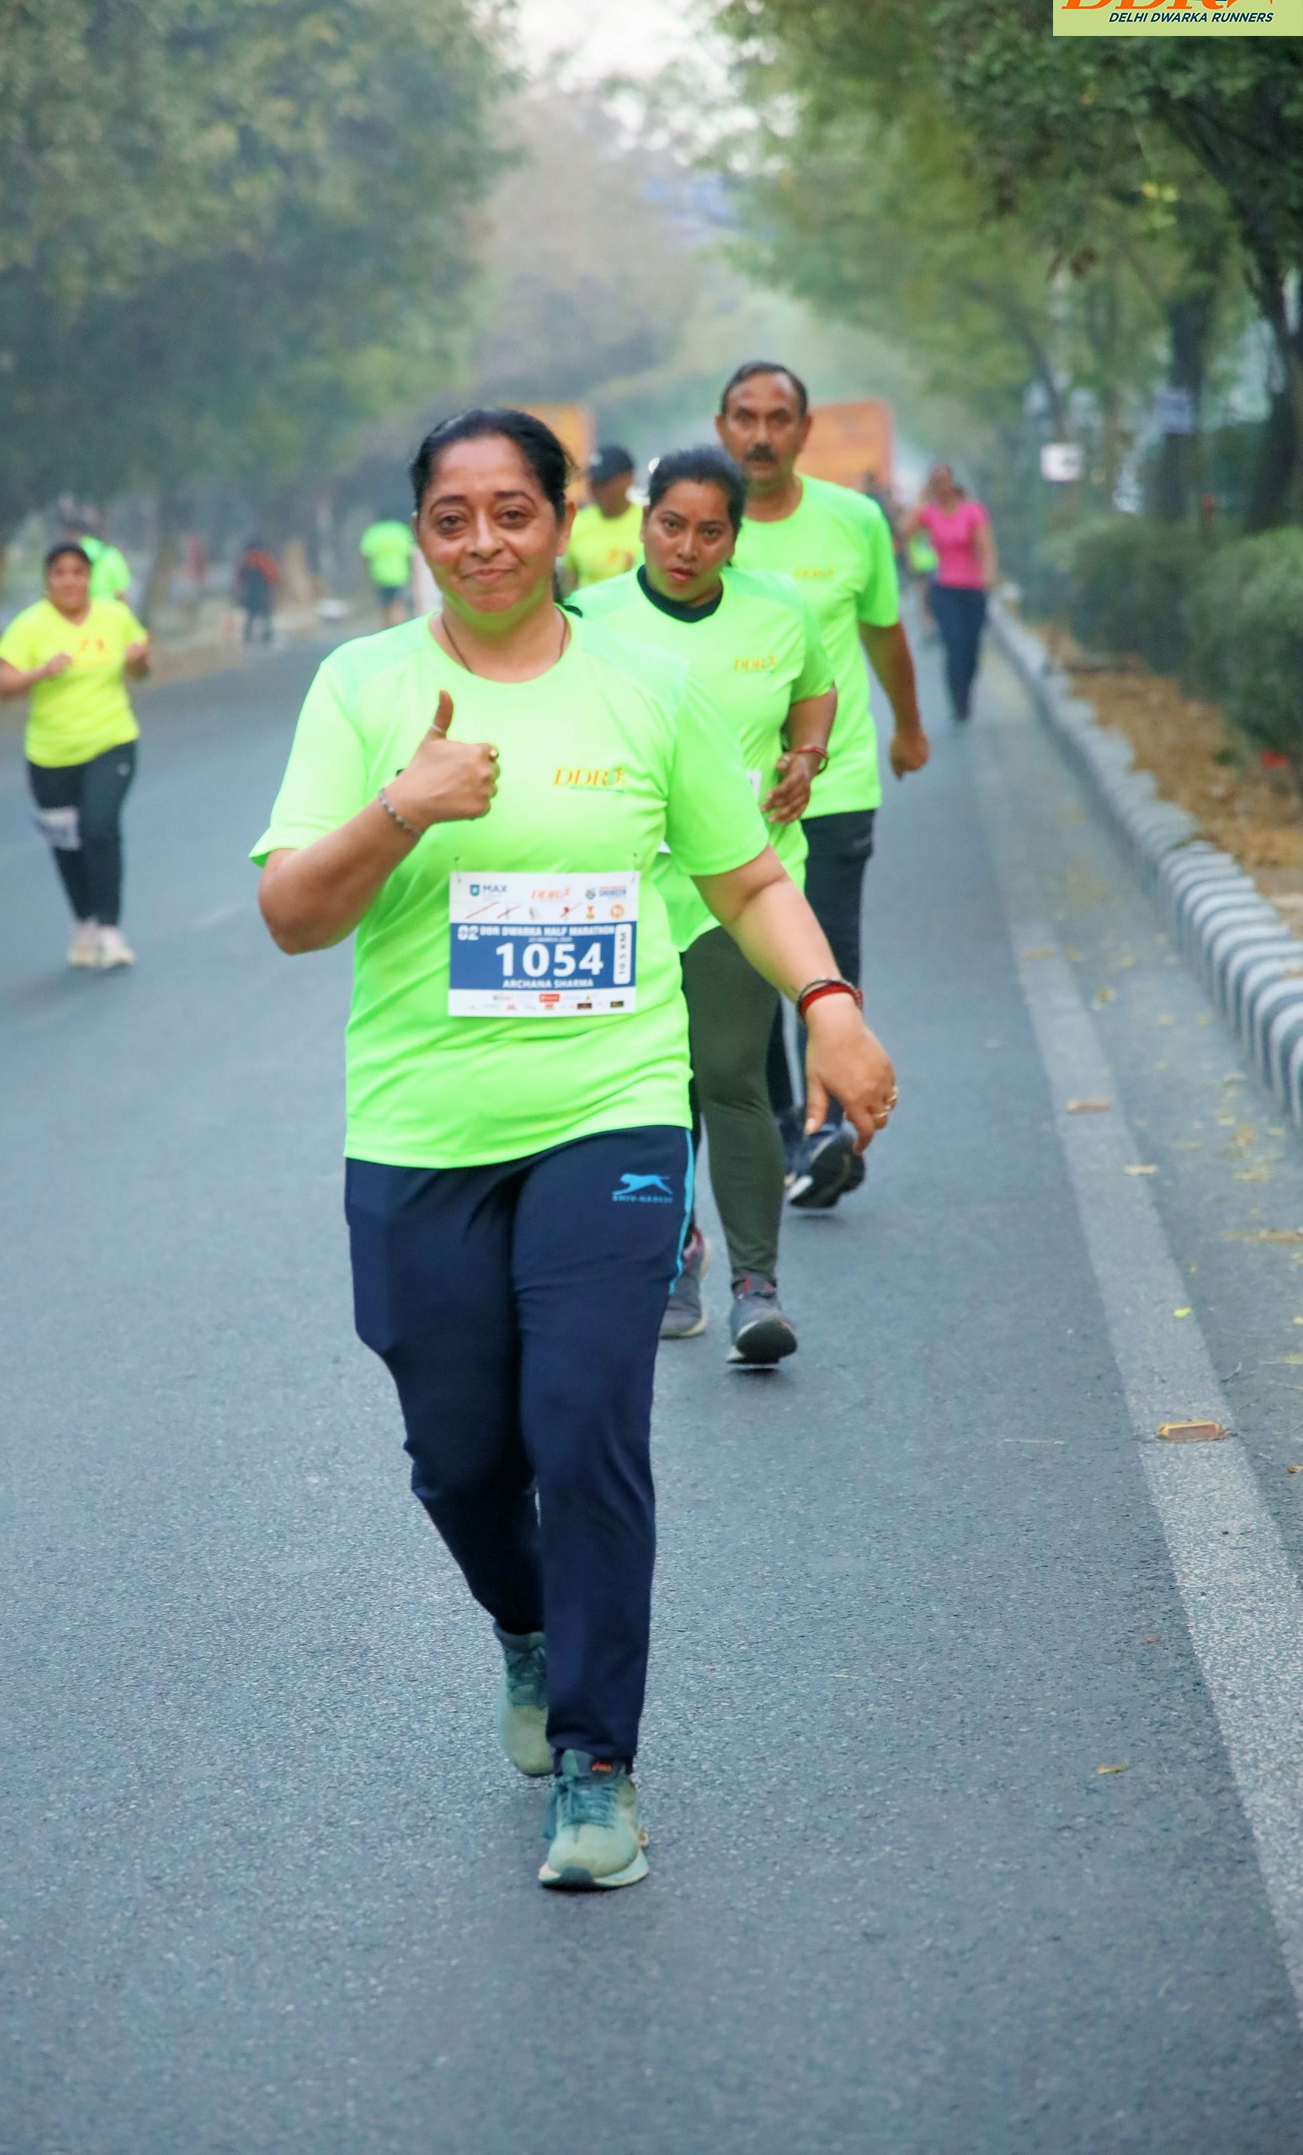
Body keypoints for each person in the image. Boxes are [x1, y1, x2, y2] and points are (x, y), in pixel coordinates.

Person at [253, 409, 896, 1890]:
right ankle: (528, 1627)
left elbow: (745, 876)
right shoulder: (364, 688)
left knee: (587, 1418)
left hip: (610, 1108)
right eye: (452, 518)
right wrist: (403, 808)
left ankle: (599, 1766)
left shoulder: (642, 688)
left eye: (512, 512)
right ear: (424, 534)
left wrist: (831, 1004)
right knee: (458, 1456)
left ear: (561, 523)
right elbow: (293, 915)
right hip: (420, 1128)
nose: (483, 542)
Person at [577, 446, 837, 1364]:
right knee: (654, 1089)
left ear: (736, 536)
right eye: (671, 525)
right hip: (629, 890)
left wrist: (807, 757)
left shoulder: (780, 610)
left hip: (747, 881)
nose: (687, 548)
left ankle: (755, 1288)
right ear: (644, 521)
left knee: (728, 1072)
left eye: (710, 531)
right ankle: (676, 1252)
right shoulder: (589, 619)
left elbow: (815, 693)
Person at [716, 360, 929, 1210]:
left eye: (779, 418)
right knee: (751, 971)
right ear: (722, 427)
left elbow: (883, 634)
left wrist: (908, 726)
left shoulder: (854, 521)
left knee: (829, 965)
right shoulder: (702, 529)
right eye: (745, 417)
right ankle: (786, 1129)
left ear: (805, 431)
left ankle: (830, 1131)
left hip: (833, 787)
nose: (761, 434)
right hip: (725, 798)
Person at [0, 541, 150, 970]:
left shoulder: (115, 617)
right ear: (48, 580)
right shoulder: (29, 626)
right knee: (67, 844)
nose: (69, 581)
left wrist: (138, 660)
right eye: (60, 573)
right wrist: (40, 672)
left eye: (78, 572)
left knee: (99, 828)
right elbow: (5, 686)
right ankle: (84, 920)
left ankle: (110, 929)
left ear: (89, 578)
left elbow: (140, 670)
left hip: (111, 740)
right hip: (50, 754)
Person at [903, 465, 997, 723]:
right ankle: (958, 703)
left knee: (971, 649)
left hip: (972, 589)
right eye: (935, 481)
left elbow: (986, 547)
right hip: (945, 589)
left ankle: (966, 690)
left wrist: (988, 575)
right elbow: (903, 531)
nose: (941, 485)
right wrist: (921, 499)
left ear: (952, 481)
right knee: (954, 646)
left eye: (944, 480)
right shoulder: (930, 513)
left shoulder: (972, 511)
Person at [560, 444, 643, 592]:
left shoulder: (648, 522)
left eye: (605, 482)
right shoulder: (577, 523)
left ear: (628, 479)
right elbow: (568, 582)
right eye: (593, 482)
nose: (597, 489)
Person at [359, 511, 417, 626]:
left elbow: (365, 555)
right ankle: (399, 627)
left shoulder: (373, 532)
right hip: (399, 575)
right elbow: (411, 553)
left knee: (384, 605)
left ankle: (387, 627)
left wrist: (366, 574)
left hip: (379, 576)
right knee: (398, 604)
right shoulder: (400, 530)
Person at [237, 540, 280, 643]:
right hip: (262, 592)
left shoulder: (245, 560)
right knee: (266, 616)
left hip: (250, 593)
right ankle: (268, 636)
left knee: (250, 617)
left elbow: (239, 578)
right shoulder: (264, 559)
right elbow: (273, 576)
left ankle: (247, 637)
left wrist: (239, 592)